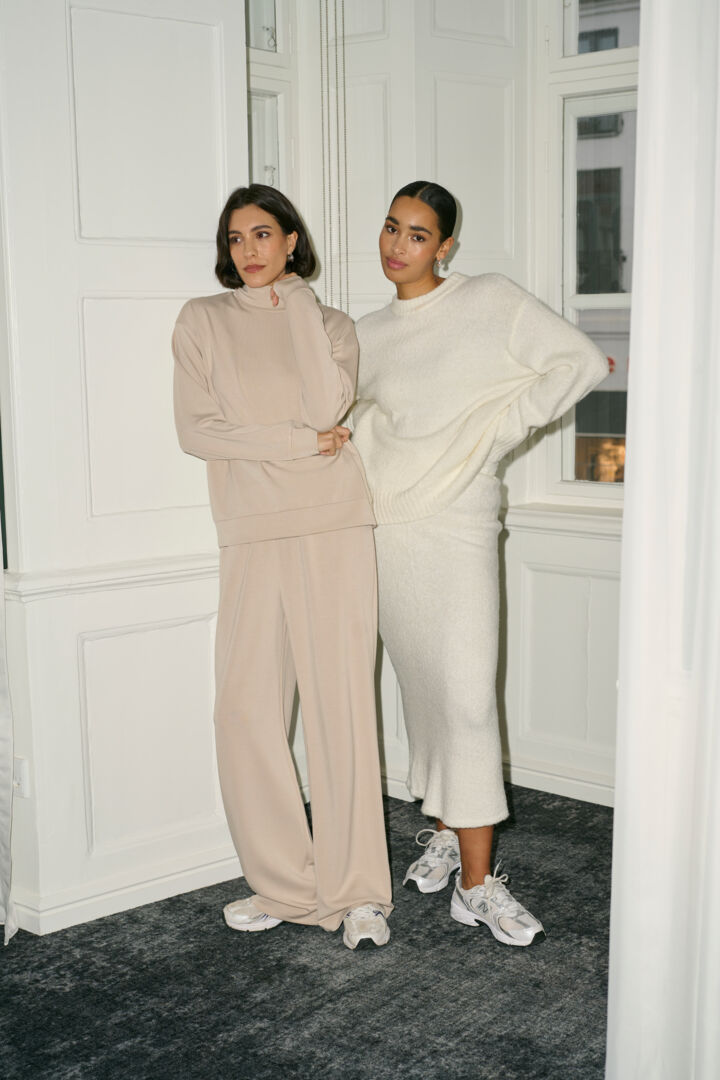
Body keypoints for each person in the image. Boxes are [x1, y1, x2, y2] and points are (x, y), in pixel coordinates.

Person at [350, 180, 608, 947]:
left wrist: (498, 430)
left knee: (466, 700)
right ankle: (444, 831)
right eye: (391, 228)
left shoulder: (488, 299)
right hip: (389, 533)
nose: (399, 245)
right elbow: (349, 418)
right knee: (426, 694)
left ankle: (475, 886)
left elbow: (580, 362)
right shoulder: (367, 334)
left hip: (459, 525)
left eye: (418, 234)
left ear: (446, 246)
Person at [173, 184, 392, 950]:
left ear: (291, 241)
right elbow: (198, 432)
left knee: (341, 707)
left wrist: (296, 302)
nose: (249, 251)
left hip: (334, 522)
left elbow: (328, 406)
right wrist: (295, 443)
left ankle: (358, 892)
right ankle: (288, 886)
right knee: (245, 712)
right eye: (236, 239)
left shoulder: (330, 324)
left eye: (263, 235)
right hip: (252, 528)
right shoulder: (202, 320)